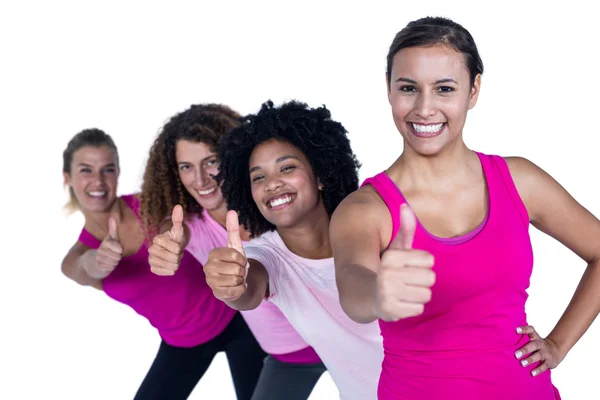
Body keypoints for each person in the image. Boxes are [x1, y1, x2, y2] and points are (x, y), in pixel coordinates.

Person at [330, 16, 600, 400]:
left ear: (473, 91)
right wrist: (378, 292)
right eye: (408, 88)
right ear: (389, 90)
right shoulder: (364, 209)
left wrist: (558, 344)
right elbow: (352, 288)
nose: (425, 108)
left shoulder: (519, 181)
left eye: (444, 88)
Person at [60, 128, 265, 400]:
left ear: (118, 173)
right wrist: (97, 261)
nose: (98, 180)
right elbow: (84, 269)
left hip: (239, 320)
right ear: (67, 178)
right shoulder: (76, 257)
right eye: (86, 170)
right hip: (183, 344)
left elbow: (182, 218)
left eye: (107, 169)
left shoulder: (152, 203)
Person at [140, 103, 327, 400]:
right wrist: (165, 245)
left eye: (210, 161)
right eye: (186, 167)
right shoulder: (192, 226)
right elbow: (174, 232)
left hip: (345, 336)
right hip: (289, 357)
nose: (200, 179)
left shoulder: (279, 201)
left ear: (232, 156)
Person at [203, 100, 384, 400]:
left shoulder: (373, 223)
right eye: (258, 177)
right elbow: (249, 286)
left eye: (286, 168)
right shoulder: (266, 256)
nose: (272, 184)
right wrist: (232, 285)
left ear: (321, 175)